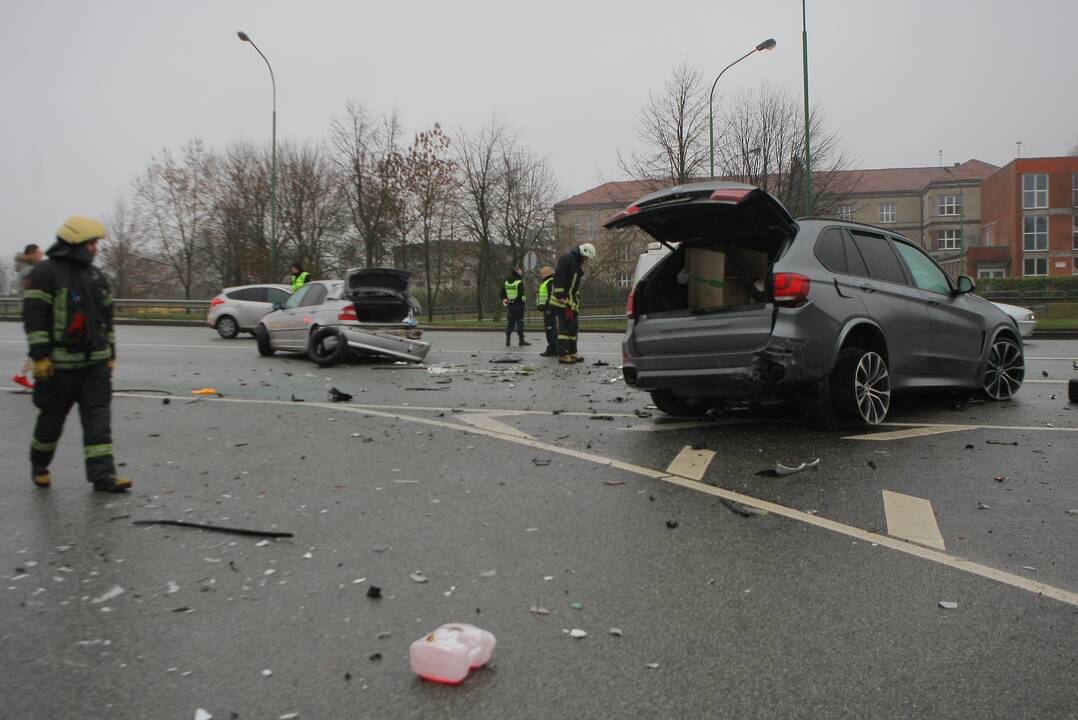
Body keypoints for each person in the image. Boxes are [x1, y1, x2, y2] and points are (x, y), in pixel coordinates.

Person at [22, 215, 130, 492]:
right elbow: (35, 318)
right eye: (91, 243)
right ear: (75, 243)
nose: (95, 248)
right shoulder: (44, 273)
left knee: (98, 424)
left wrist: (111, 355)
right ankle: (39, 465)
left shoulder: (96, 276)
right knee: (51, 422)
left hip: (95, 366)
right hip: (59, 368)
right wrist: (41, 356)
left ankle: (103, 476)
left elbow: (108, 319)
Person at [549, 243, 596, 364]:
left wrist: (575, 299)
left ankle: (572, 352)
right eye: (586, 258)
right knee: (565, 327)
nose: (586, 260)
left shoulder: (575, 262)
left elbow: (573, 285)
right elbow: (559, 277)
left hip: (570, 301)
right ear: (583, 253)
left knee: (573, 327)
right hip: (563, 301)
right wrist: (560, 295)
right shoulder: (568, 258)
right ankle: (563, 354)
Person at [12, 243, 43, 389]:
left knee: (38, 344)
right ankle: (25, 375)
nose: (41, 254)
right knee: (39, 343)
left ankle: (22, 375)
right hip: (33, 310)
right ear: (31, 254)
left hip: (32, 309)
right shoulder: (30, 270)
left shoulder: (26, 269)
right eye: (38, 252)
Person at [500, 268, 530, 347]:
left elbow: (501, 294)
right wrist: (521, 300)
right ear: (517, 273)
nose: (521, 273)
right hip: (519, 306)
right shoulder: (519, 282)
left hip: (510, 307)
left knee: (510, 324)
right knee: (520, 323)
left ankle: (508, 341)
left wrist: (507, 300)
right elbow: (521, 295)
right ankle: (521, 340)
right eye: (520, 272)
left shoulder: (507, 282)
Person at [536, 266, 557, 357]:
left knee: (550, 330)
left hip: (549, 310)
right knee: (550, 330)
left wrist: (547, 307)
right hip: (547, 309)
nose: (541, 275)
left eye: (543, 273)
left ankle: (553, 349)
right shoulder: (546, 282)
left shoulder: (550, 282)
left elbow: (551, 296)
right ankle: (553, 348)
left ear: (547, 274)